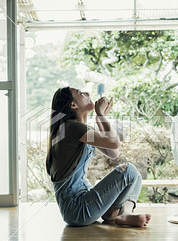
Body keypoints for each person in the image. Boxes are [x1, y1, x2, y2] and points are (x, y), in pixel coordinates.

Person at [45, 86, 151, 227]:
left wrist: (101, 117)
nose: (87, 93)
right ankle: (121, 213)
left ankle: (122, 213)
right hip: (77, 208)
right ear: (73, 105)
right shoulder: (71, 128)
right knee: (128, 170)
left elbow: (113, 153)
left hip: (82, 204)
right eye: (81, 93)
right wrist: (100, 115)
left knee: (135, 175)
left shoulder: (80, 129)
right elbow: (114, 143)